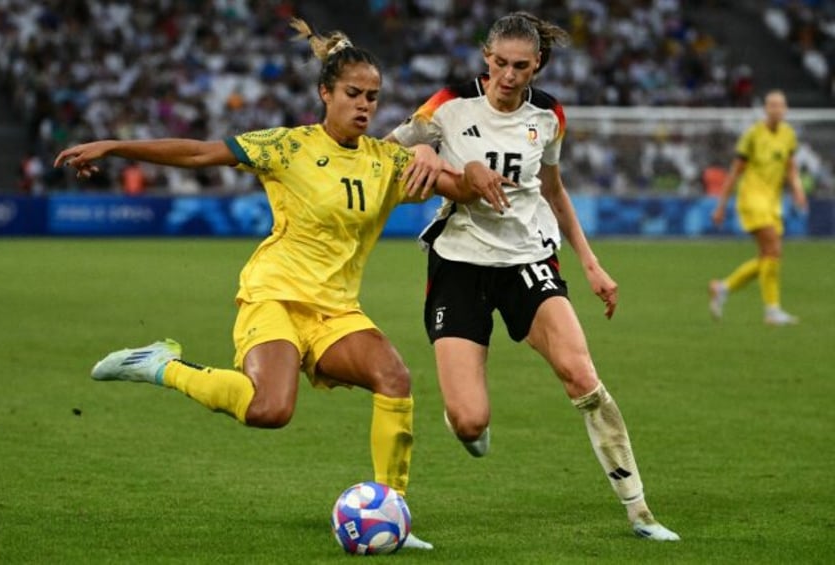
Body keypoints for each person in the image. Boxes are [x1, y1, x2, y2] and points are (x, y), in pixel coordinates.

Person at [54, 18, 509, 551]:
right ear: (326, 93)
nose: (364, 105)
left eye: (374, 97)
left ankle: (392, 512)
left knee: (394, 377)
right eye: (353, 94)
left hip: (335, 311)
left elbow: (462, 188)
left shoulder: (388, 161)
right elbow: (202, 152)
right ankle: (161, 365)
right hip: (274, 295)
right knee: (270, 410)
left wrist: (468, 169)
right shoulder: (286, 147)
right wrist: (113, 146)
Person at [385, 12, 680, 541]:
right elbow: (387, 150)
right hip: (459, 264)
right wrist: (428, 151)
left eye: (521, 66)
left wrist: (590, 263)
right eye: (499, 63)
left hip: (528, 260)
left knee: (582, 377)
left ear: (537, 64)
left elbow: (554, 189)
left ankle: (640, 511)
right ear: (485, 58)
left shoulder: (548, 115)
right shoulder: (447, 106)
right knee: (470, 421)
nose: (508, 76)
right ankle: (467, 420)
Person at [709, 90, 808, 325]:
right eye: (772, 105)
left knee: (769, 256)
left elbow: (791, 169)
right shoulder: (753, 135)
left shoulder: (788, 136)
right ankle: (772, 310)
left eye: (780, 105)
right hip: (752, 199)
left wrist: (798, 191)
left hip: (773, 202)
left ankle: (723, 287)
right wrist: (721, 205)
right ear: (765, 109)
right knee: (773, 249)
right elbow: (735, 172)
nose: (776, 109)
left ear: (785, 109)